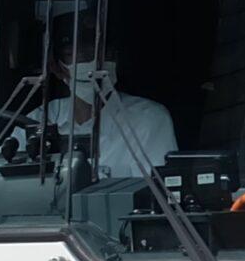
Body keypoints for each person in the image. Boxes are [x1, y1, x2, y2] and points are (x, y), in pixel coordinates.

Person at [44, 51, 179, 183]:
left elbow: (154, 192)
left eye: (106, 54)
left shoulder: (147, 119)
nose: (96, 63)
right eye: (82, 55)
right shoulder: (42, 118)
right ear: (56, 67)